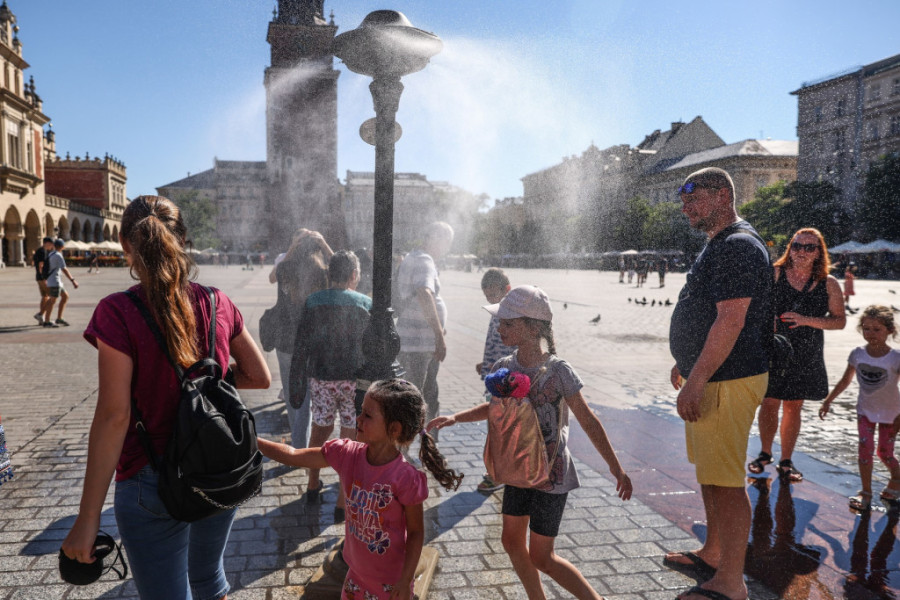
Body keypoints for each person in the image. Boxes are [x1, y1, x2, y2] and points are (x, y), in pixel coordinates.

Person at [61, 195, 271, 599]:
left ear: (125, 244)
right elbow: (259, 377)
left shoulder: (117, 311)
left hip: (149, 479)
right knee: (210, 581)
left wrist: (88, 520)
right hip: (217, 468)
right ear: (183, 240)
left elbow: (114, 417)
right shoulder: (217, 301)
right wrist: (205, 380)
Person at [428, 285, 632, 600]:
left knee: (542, 556)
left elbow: (588, 420)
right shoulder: (503, 368)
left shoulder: (559, 371)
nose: (500, 328)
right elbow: (494, 408)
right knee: (511, 541)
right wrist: (457, 417)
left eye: (508, 323)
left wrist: (616, 468)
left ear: (532, 327)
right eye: (500, 322)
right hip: (519, 467)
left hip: (552, 475)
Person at [665, 168, 771, 600]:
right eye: (684, 201)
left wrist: (699, 377)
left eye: (694, 199)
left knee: (727, 480)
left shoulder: (738, 246)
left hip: (728, 378)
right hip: (712, 375)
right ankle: (712, 552)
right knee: (711, 471)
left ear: (723, 196)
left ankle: (731, 580)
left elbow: (731, 320)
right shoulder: (721, 243)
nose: (687, 208)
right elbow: (708, 312)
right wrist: (685, 363)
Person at [258, 379, 462, 600]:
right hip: (355, 577)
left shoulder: (405, 478)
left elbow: (415, 533)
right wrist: (253, 439)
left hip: (391, 583)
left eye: (367, 415)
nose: (358, 419)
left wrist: (405, 580)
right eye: (361, 411)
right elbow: (293, 456)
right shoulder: (346, 454)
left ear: (393, 429)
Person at [748, 228, 846, 482]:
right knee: (769, 402)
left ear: (819, 253)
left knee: (794, 406)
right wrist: (765, 322)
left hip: (806, 352)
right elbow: (755, 306)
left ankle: (786, 460)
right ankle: (764, 453)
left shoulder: (829, 284)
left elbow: (839, 322)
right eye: (797, 246)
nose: (802, 251)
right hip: (774, 348)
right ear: (790, 248)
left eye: (809, 247)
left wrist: (806, 320)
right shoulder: (775, 274)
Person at [291, 250, 372, 519]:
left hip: (321, 378)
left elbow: (301, 344)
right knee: (350, 436)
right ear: (352, 275)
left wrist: (298, 379)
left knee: (320, 429)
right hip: (353, 380)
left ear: (329, 274)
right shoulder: (364, 303)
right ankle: (341, 501)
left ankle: (312, 484)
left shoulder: (313, 301)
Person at [820, 305, 900, 511]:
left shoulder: (895, 358)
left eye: (877, 329)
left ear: (890, 330)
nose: (871, 334)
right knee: (864, 452)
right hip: (865, 411)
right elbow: (845, 380)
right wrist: (829, 400)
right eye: (867, 329)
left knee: (885, 453)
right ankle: (866, 493)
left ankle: (896, 479)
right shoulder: (857, 354)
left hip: (892, 414)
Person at [275, 230, 332, 449]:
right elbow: (346, 270)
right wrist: (324, 244)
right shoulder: (323, 272)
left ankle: (298, 442)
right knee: (307, 396)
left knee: (291, 394)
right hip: (312, 342)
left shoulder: (286, 269)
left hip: (286, 342)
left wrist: (293, 246)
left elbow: (277, 270)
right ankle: (301, 445)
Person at [396, 222, 454, 436]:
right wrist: (438, 335)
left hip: (414, 339)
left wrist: (438, 326)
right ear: (435, 238)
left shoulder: (414, 257)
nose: (447, 248)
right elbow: (424, 293)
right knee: (421, 396)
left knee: (419, 392)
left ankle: (420, 444)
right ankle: (423, 447)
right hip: (419, 343)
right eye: (446, 242)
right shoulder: (423, 260)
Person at [473, 268, 515, 494]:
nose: (490, 300)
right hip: (495, 378)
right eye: (487, 297)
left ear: (506, 289)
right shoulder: (500, 311)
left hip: (504, 381)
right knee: (498, 428)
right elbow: (494, 344)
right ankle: (501, 471)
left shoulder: (511, 315)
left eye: (493, 295)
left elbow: (513, 349)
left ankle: (497, 474)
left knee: (498, 429)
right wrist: (485, 362)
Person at [43, 239, 79, 327]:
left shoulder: (51, 254)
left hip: (55, 281)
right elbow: (64, 269)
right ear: (62, 247)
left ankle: (59, 318)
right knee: (52, 301)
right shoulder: (58, 255)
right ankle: (47, 321)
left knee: (65, 296)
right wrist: (73, 280)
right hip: (55, 281)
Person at [33, 236, 54, 325]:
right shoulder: (43, 251)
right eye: (51, 244)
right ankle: (41, 314)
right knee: (52, 296)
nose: (52, 246)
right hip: (42, 278)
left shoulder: (39, 251)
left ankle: (42, 317)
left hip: (39, 277)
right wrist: (44, 277)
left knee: (45, 297)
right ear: (47, 243)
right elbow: (41, 265)